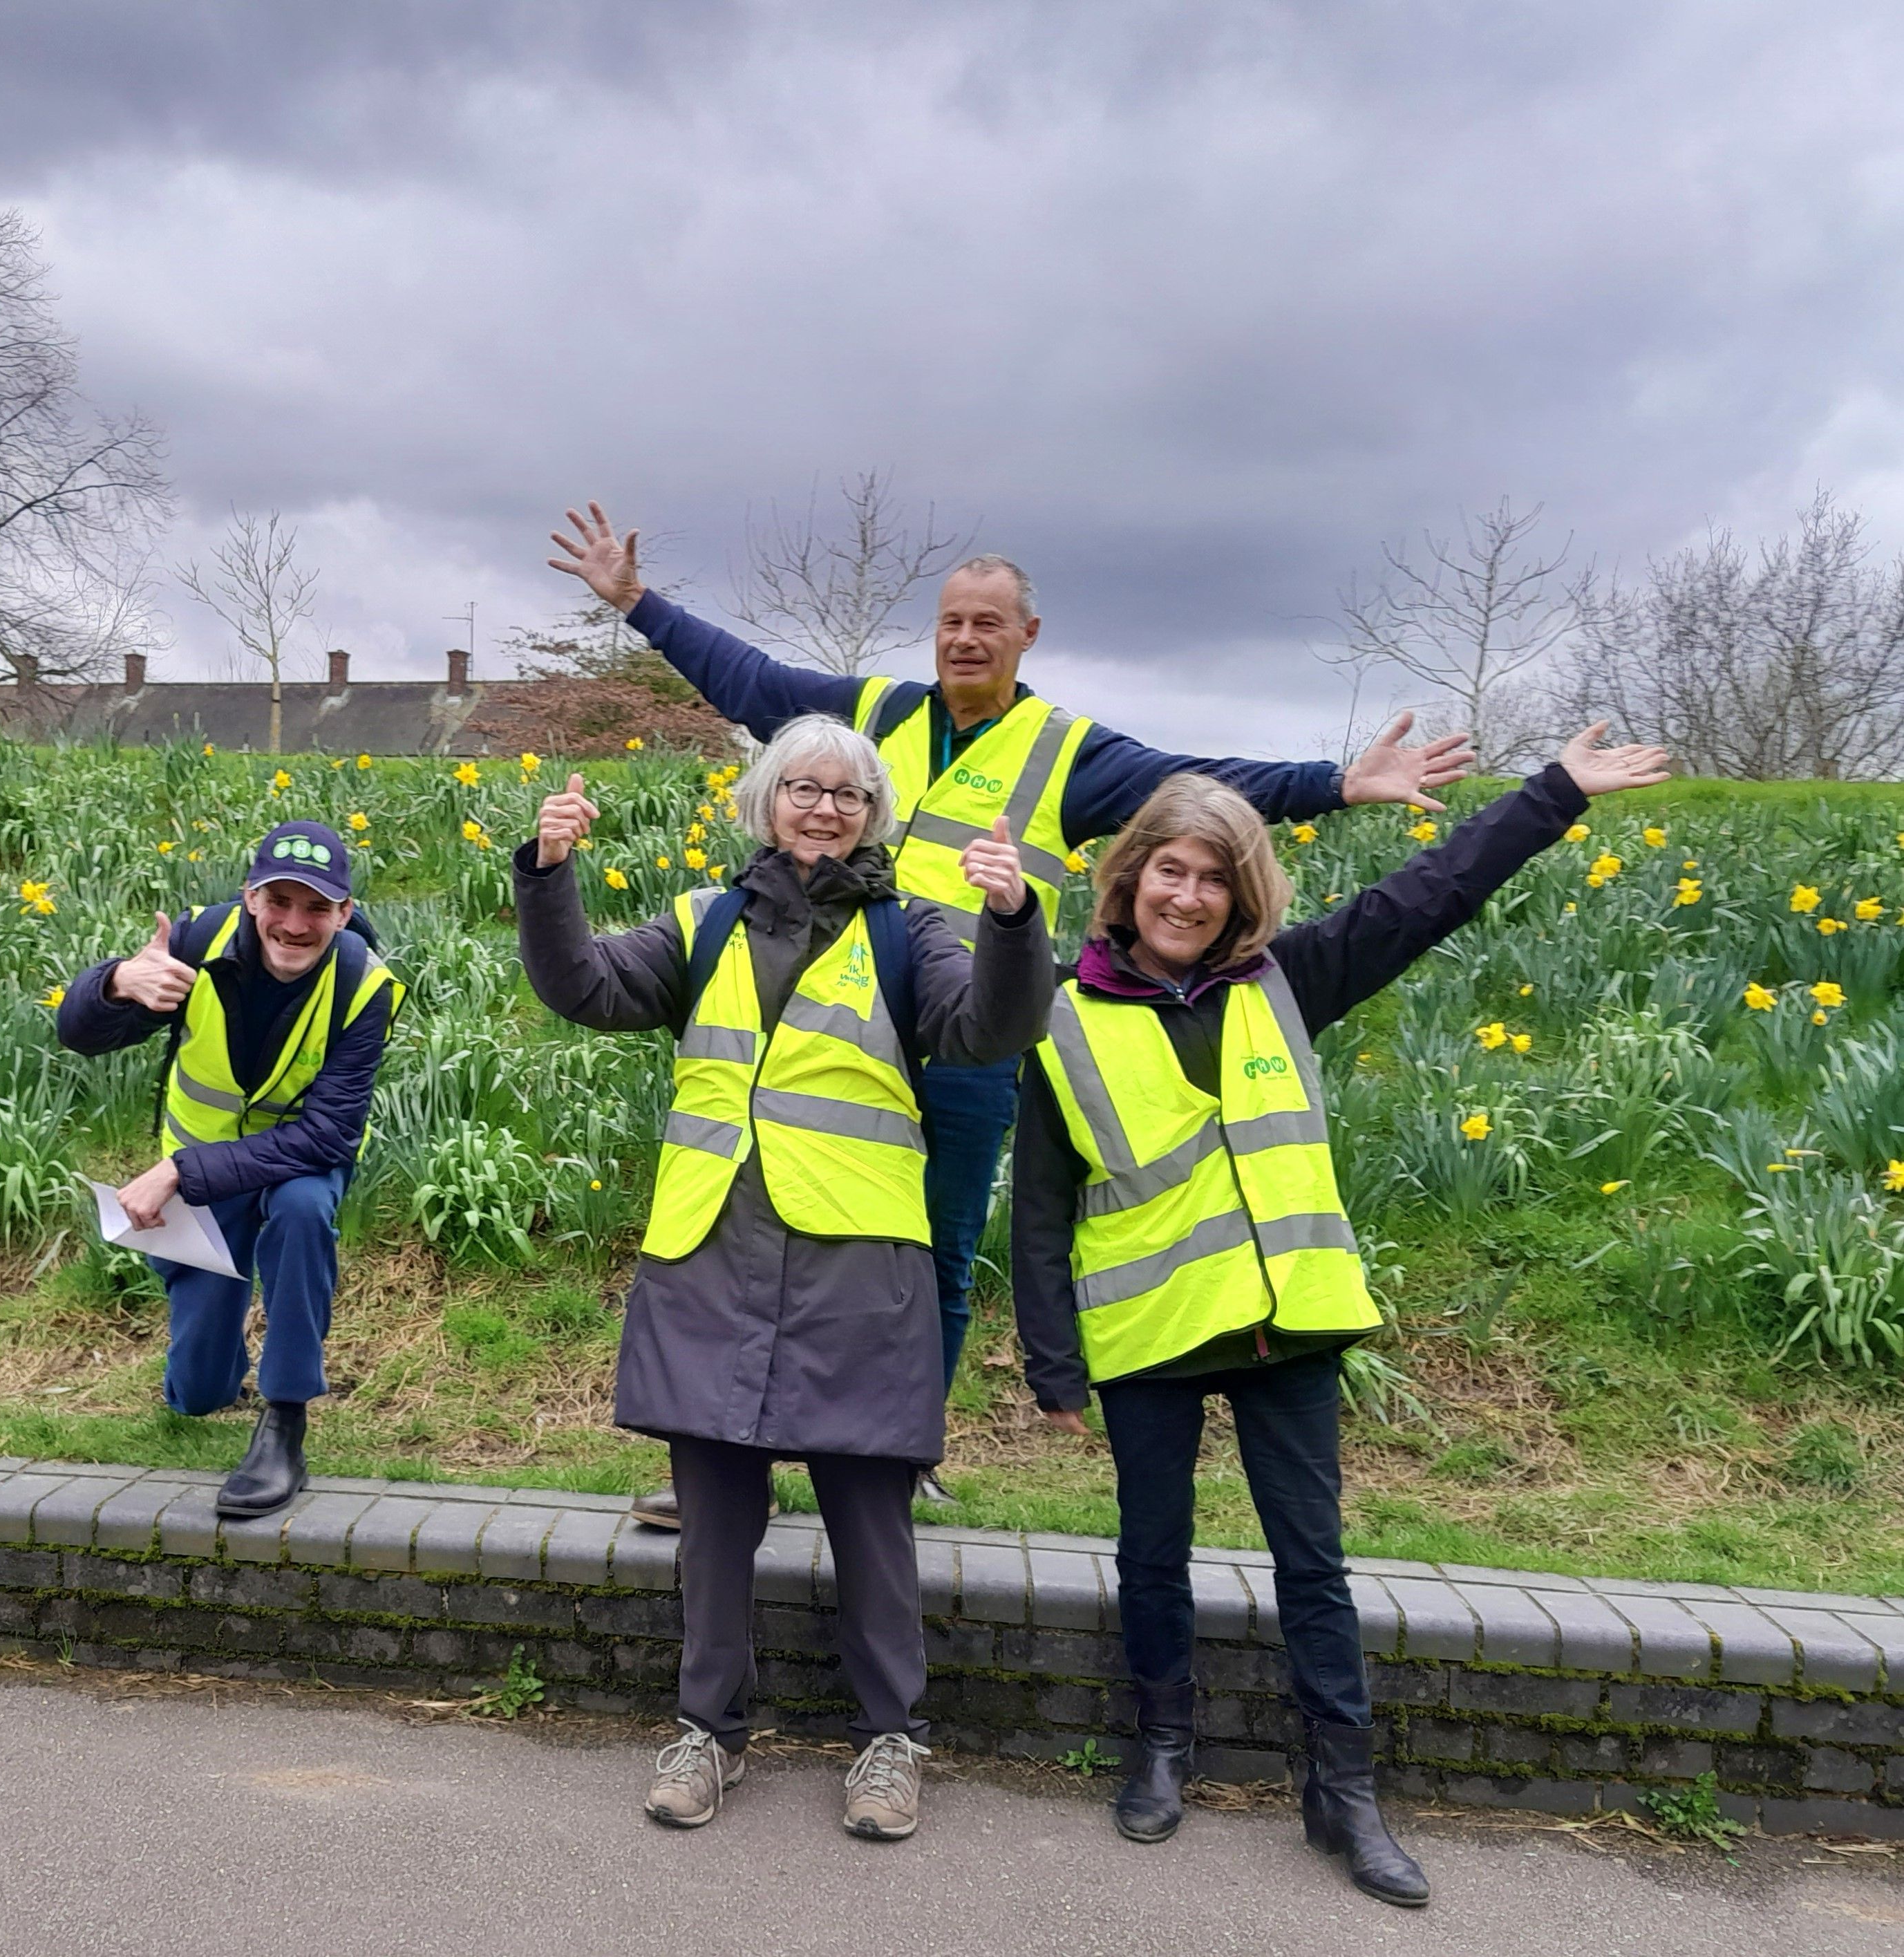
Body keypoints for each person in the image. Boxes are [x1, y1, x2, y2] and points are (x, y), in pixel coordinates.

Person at [546, 507, 1476, 1516]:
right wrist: (639, 604)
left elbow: (1197, 784)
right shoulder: (874, 716)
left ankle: (895, 1458)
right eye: (951, 620)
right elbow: (752, 681)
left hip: (963, 1036)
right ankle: (731, 1467)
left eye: (988, 622)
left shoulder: (1065, 750)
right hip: (825, 1027)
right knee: (757, 1238)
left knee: (929, 1253)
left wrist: (1337, 783)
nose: (965, 638)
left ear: (1027, 635)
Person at [1007, 725, 1670, 1907]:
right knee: (1151, 1557)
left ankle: (1344, 1790)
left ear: (1239, 893)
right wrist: (1053, 1365)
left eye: (1215, 878)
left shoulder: (1289, 979)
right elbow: (1043, 1209)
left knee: (1313, 1568)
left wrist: (1556, 790)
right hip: (1151, 1338)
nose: (1189, 895)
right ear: (1131, 877)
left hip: (1290, 1330)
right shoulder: (1060, 1018)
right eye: (1171, 870)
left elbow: (1432, 894)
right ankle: (1161, 1751)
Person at [516, 714, 1053, 1839]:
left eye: (849, 794)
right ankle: (706, 1732)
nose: (824, 807)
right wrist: (550, 874)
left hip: (859, 1275)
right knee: (713, 1522)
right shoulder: (700, 925)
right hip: (711, 1259)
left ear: (874, 816)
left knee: (873, 1520)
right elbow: (583, 988)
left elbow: (989, 1028)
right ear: (764, 805)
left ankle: (889, 1741)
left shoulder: (915, 937)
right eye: (802, 788)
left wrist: (1012, 919)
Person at [57, 821, 401, 1519]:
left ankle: (284, 1418)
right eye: (279, 901)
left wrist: (181, 1170)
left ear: (343, 910)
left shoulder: (365, 984)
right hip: (203, 1185)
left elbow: (329, 1132)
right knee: (197, 1393)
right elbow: (78, 1035)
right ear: (249, 897)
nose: (294, 924)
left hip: (291, 1165)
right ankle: (221, 1382)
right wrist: (117, 982)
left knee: (303, 1212)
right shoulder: (192, 944)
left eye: (316, 908)